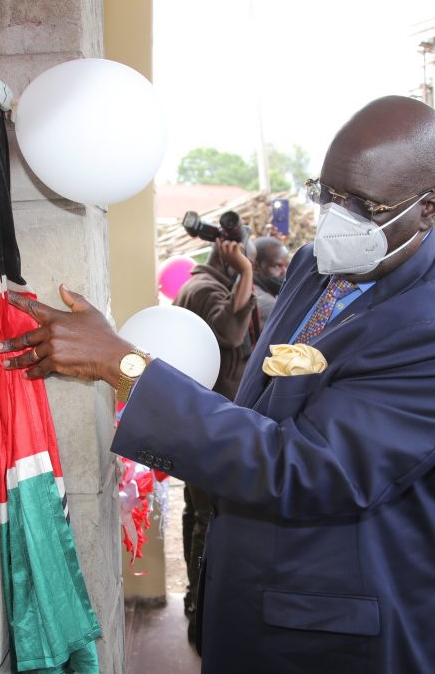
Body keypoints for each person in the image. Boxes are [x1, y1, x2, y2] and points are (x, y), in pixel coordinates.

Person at [0, 95, 435, 673]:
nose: (338, 216)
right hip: (254, 597)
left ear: (428, 208)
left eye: (363, 205)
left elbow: (304, 466)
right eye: (327, 193)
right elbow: (264, 405)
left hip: (342, 639)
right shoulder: (320, 264)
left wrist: (124, 367)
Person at [171, 212, 257, 645]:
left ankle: (194, 600)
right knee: (209, 517)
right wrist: (245, 271)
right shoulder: (206, 288)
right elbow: (229, 329)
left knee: (197, 511)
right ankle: (203, 614)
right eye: (246, 258)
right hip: (209, 423)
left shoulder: (200, 284)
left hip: (200, 420)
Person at [251, 235, 289, 328]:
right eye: (277, 266)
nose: (285, 272)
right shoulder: (268, 305)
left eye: (286, 265)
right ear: (255, 268)